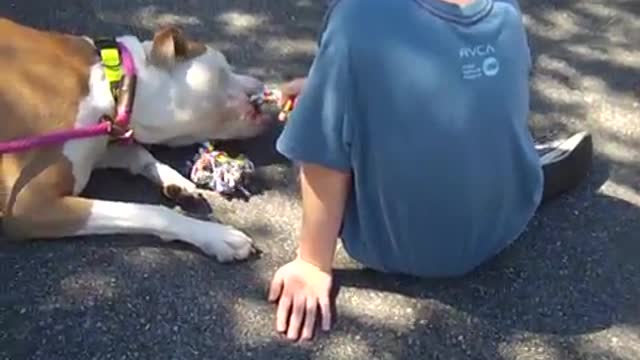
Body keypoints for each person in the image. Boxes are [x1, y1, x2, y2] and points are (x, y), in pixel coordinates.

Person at [267, 0, 593, 342]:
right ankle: (529, 176)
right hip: (504, 221)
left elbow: (322, 155)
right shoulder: (504, 8)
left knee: (317, 128)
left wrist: (312, 263)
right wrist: (334, 81)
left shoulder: (357, 15)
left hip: (401, 247)